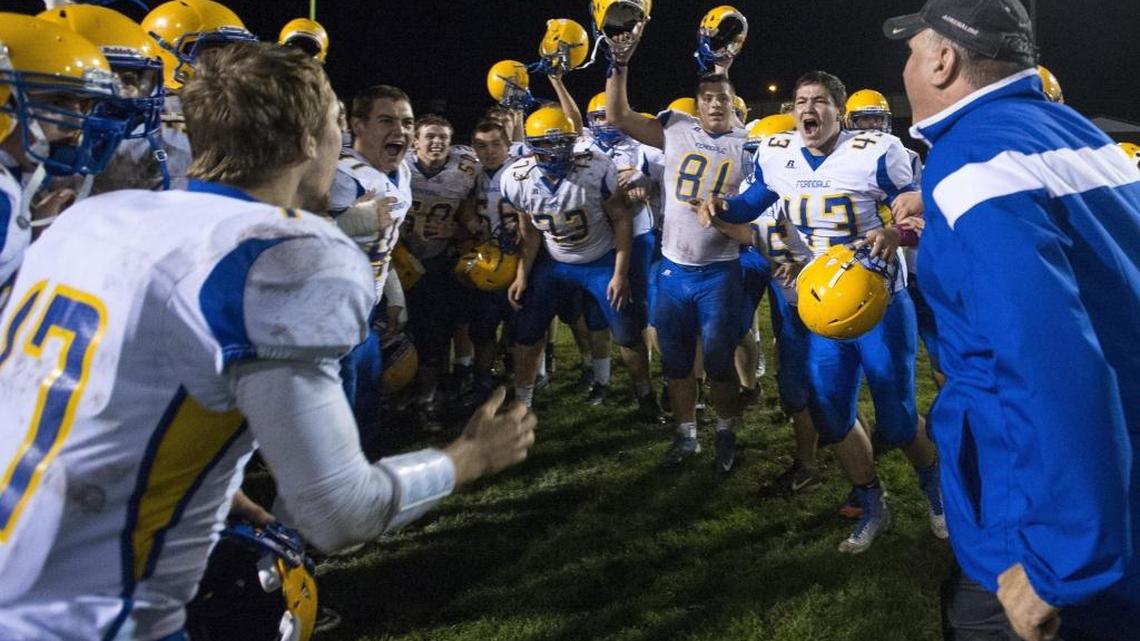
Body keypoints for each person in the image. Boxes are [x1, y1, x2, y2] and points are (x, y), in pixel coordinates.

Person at [0, 42, 536, 641]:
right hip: (86, 619)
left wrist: (221, 490)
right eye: (337, 124)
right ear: (311, 139)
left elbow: (100, 398)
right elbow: (337, 511)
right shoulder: (281, 253)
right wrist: (468, 458)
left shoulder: (96, 216)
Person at [884, 1, 1140, 639]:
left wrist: (1062, 562)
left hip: (1042, 503)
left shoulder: (973, 158)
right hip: (1120, 464)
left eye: (912, 52)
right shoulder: (1078, 132)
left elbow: (1051, 355)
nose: (908, 67)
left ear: (943, 60)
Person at [701, 71, 946, 552]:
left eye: (818, 101)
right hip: (821, 302)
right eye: (799, 101)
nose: (807, 109)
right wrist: (720, 205)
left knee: (896, 421)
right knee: (832, 415)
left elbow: (915, 212)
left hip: (879, 298)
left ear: (838, 111)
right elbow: (750, 204)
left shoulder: (875, 152)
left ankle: (935, 491)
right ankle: (872, 502)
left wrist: (897, 233)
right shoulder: (777, 154)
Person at [606, 54, 752, 471]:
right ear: (697, 104)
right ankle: (686, 435)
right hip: (673, 268)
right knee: (675, 361)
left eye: (722, 98)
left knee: (720, 362)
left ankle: (725, 431)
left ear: (733, 101)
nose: (714, 105)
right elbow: (617, 115)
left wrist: (727, 215)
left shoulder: (748, 145)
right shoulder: (676, 128)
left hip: (720, 270)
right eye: (706, 98)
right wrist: (619, 62)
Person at [502, 106, 655, 417]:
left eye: (563, 143)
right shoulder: (516, 179)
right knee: (528, 329)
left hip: (598, 258)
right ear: (531, 147)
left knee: (627, 331)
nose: (557, 153)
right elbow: (529, 231)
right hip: (556, 262)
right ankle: (523, 401)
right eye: (547, 145)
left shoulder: (596, 167)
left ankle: (646, 396)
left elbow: (621, 218)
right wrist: (522, 274)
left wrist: (619, 273)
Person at [327, 84, 414, 433]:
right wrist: (347, 223)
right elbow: (288, 233)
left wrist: (393, 294)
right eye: (386, 121)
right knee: (336, 420)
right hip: (326, 313)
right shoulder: (339, 175)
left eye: (407, 122)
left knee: (366, 406)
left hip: (365, 306)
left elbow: (384, 244)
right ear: (357, 126)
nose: (400, 131)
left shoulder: (402, 171)